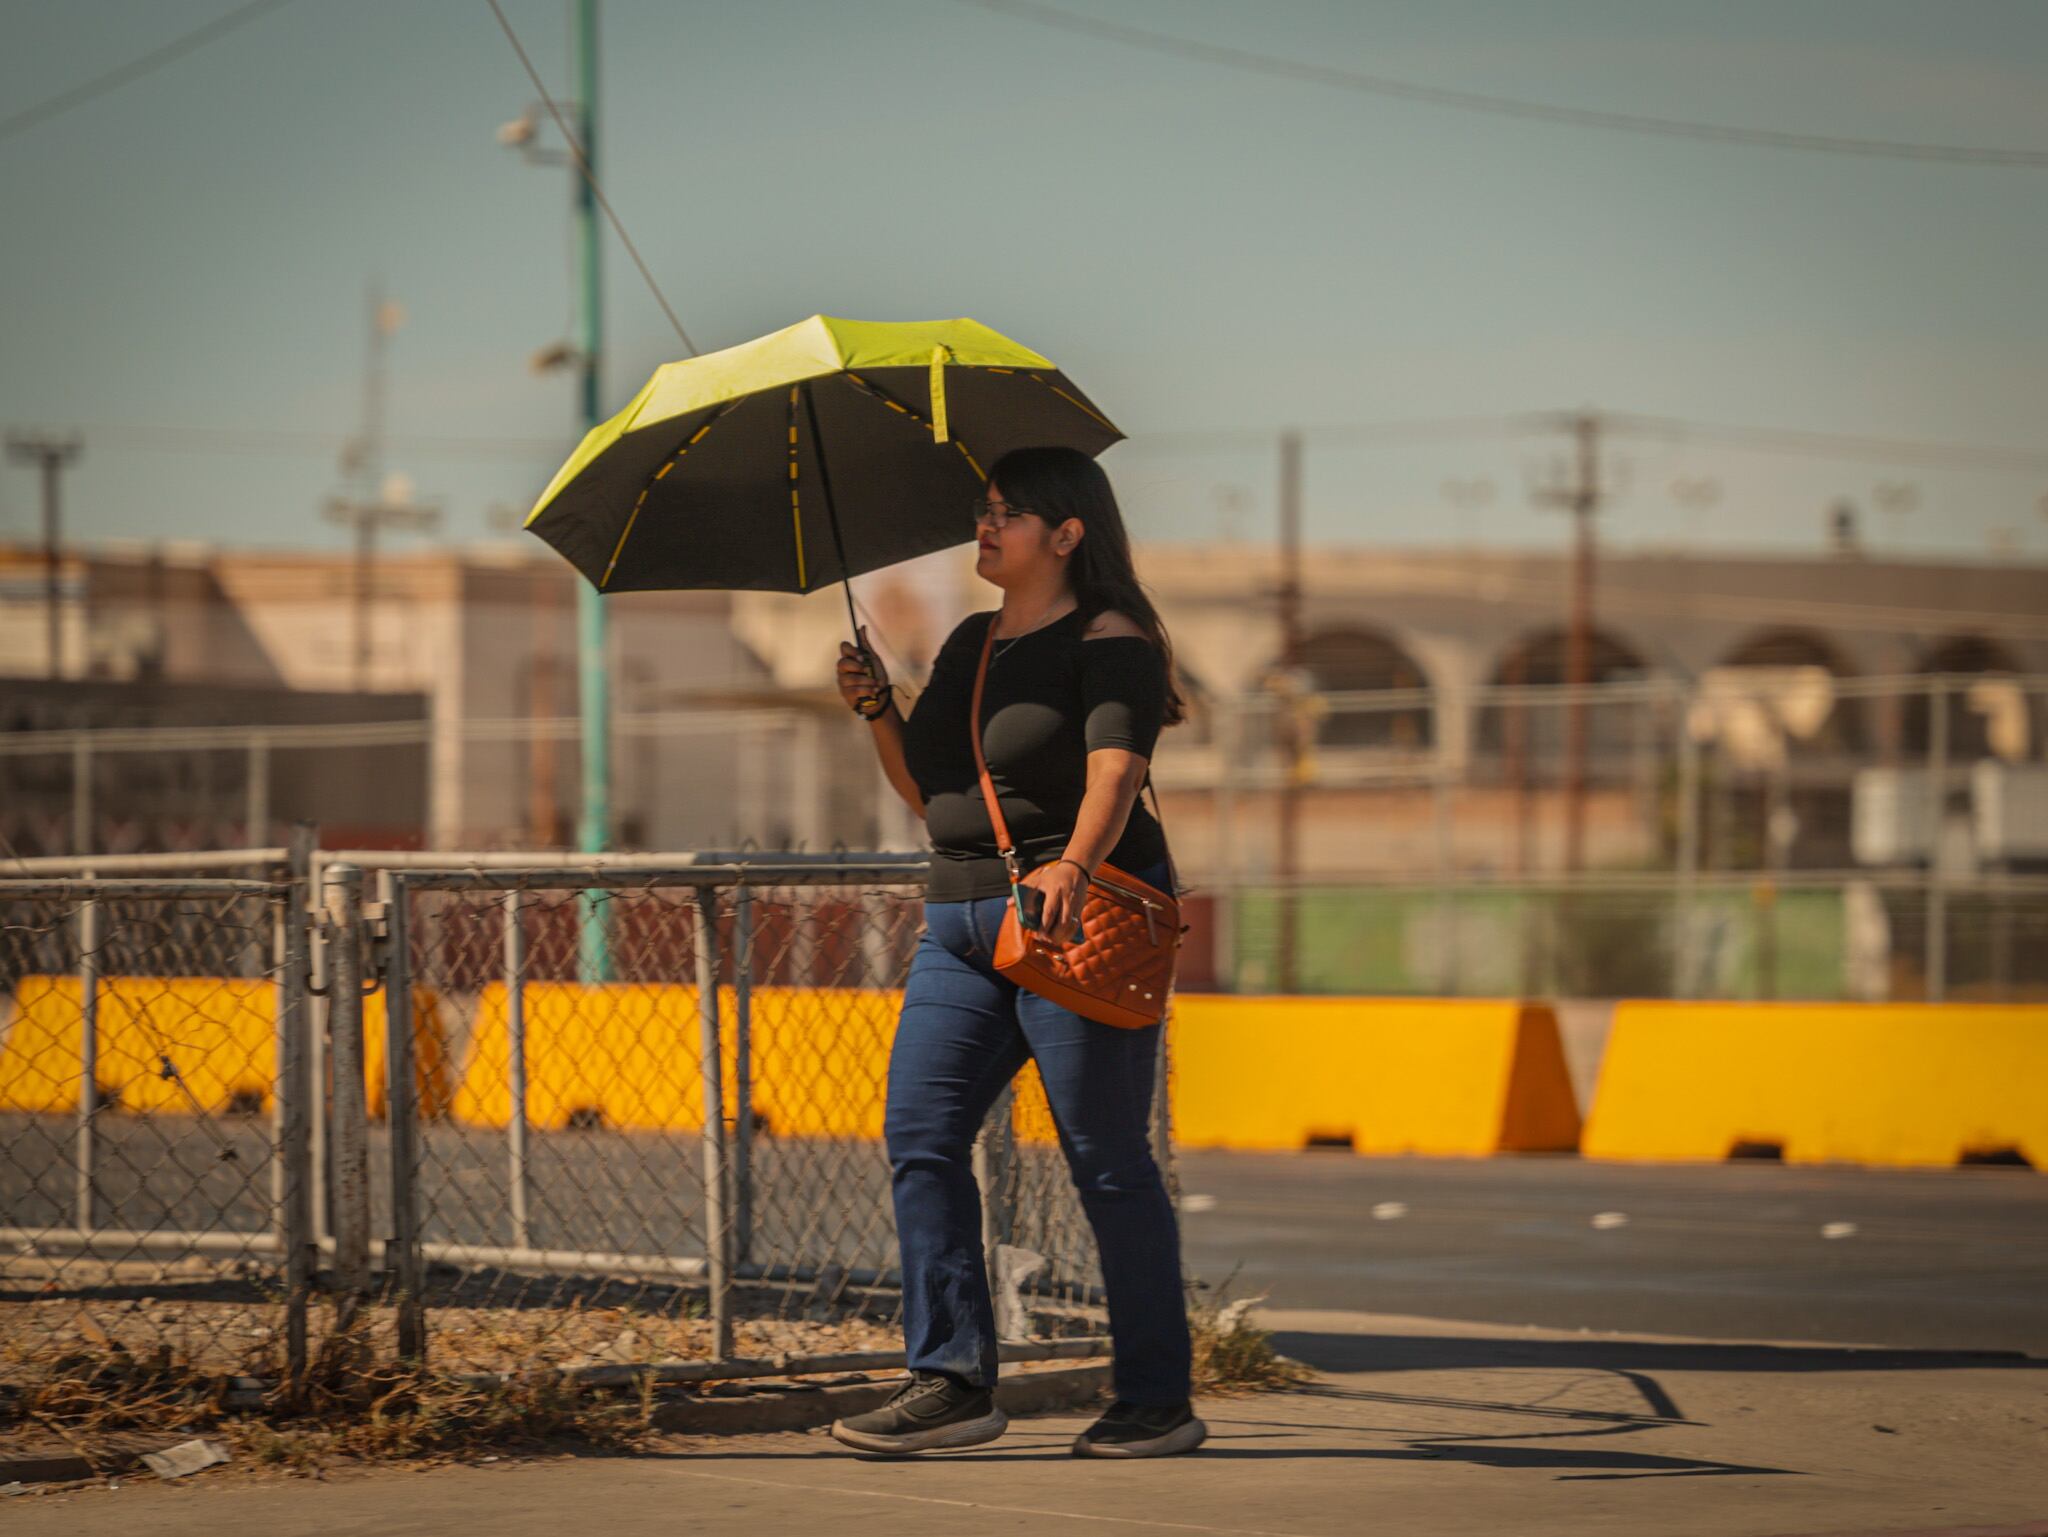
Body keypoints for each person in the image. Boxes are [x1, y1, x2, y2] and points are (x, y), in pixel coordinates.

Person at [826, 445, 1203, 1460]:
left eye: (1004, 515)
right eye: (982, 512)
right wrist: (875, 707)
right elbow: (925, 791)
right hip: (958, 921)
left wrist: (1071, 868)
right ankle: (950, 1381)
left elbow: (1115, 772)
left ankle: (1155, 1397)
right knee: (919, 1134)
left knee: (1104, 1159)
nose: (983, 529)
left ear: (1066, 533)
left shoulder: (1111, 635)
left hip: (1063, 918)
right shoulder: (971, 640)